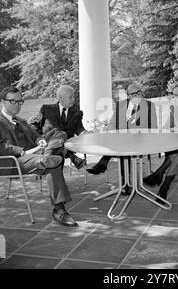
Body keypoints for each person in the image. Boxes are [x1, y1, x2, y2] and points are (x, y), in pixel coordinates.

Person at [0, 86, 78, 227]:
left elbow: (35, 135)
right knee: (52, 163)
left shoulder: (21, 120)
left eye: (20, 101)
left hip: (36, 155)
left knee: (59, 133)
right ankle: (59, 210)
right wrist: (24, 152)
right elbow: (2, 147)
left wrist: (40, 141)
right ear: (3, 102)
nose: (18, 105)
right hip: (14, 161)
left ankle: (47, 157)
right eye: (13, 101)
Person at [86, 83, 158, 180]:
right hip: (122, 138)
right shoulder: (120, 105)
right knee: (121, 144)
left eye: (139, 92)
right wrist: (109, 135)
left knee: (123, 146)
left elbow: (153, 126)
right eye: (133, 94)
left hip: (141, 138)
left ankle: (106, 167)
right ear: (128, 96)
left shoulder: (149, 105)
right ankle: (125, 181)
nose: (137, 95)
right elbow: (113, 123)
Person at [29, 85, 88, 169]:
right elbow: (35, 126)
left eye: (73, 97)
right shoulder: (46, 109)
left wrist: (86, 133)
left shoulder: (77, 113)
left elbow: (79, 129)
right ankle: (72, 157)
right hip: (47, 141)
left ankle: (45, 158)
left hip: (65, 144)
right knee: (59, 133)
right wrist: (35, 137)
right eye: (70, 97)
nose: (73, 100)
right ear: (60, 98)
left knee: (60, 143)